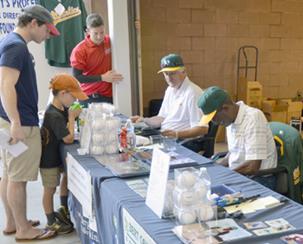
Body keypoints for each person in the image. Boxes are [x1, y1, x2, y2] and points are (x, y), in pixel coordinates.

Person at [0, 4, 59, 241]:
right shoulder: (16, 47)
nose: (47, 37)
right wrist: (16, 121)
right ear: (34, 23)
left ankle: (14, 222)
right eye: (47, 31)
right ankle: (24, 230)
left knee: (9, 173)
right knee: (18, 178)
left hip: (8, 121)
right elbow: (6, 85)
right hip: (18, 123)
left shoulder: (10, 43)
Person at [198, 86, 277, 189]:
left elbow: (253, 166)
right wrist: (216, 168)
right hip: (240, 175)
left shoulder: (253, 118)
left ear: (225, 108)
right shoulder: (229, 119)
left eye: (214, 118)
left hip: (259, 179)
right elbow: (234, 152)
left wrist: (226, 175)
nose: (215, 123)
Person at [40, 74, 87, 234]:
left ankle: (64, 208)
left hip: (58, 156)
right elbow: (68, 138)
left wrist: (74, 115)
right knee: (50, 188)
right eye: (73, 97)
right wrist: (72, 118)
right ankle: (51, 221)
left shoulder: (62, 108)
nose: (75, 100)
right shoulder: (52, 114)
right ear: (63, 94)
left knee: (66, 178)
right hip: (49, 160)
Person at [132, 53, 208, 140]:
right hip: (166, 137)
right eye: (166, 74)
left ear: (183, 71)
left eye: (172, 73)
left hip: (183, 142)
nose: (169, 78)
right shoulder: (170, 90)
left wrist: (177, 134)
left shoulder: (193, 93)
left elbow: (202, 129)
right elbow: (162, 118)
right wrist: (144, 120)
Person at [70, 13, 123, 106]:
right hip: (89, 97)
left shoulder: (109, 41)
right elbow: (77, 77)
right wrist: (102, 77)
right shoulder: (79, 50)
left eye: (102, 32)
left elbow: (124, 37)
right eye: (95, 33)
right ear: (88, 31)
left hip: (110, 96)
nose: (99, 37)